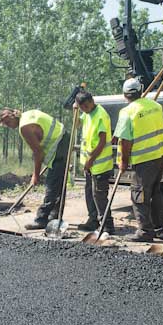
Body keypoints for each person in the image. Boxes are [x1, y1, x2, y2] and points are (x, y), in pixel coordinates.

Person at [113, 78, 163, 242]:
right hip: (161, 155)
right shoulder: (156, 106)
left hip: (144, 159)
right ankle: (160, 230)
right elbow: (162, 125)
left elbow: (125, 140)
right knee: (155, 192)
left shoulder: (127, 112)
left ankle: (145, 231)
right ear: (141, 90)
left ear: (125, 95)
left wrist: (123, 161)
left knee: (139, 194)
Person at [0, 108, 69, 230]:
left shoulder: (24, 127)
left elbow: (38, 152)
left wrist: (35, 175)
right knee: (59, 183)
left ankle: (41, 219)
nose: (8, 126)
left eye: (8, 123)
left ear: (12, 117)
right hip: (63, 138)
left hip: (58, 145)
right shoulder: (27, 115)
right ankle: (55, 217)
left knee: (52, 184)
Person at [75, 91, 115, 234]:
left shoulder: (100, 114)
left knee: (99, 196)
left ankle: (107, 226)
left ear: (92, 101)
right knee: (89, 193)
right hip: (90, 164)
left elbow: (102, 141)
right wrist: (73, 112)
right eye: (82, 108)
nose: (85, 109)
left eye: (86, 105)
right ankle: (93, 221)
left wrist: (91, 160)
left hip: (100, 164)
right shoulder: (86, 114)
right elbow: (77, 124)